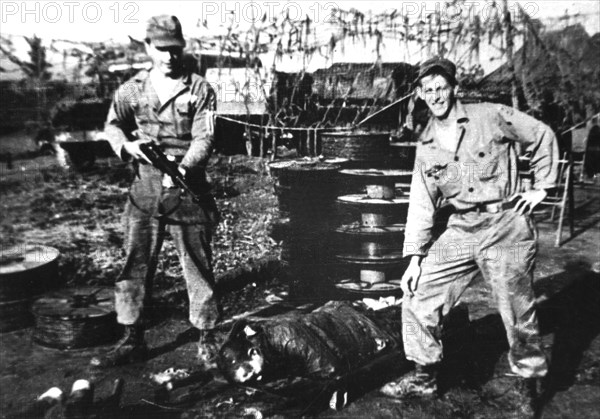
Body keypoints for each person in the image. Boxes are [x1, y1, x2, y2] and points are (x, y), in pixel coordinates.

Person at [380, 57, 558, 417]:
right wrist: (414, 259)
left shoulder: (489, 115)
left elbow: (541, 133)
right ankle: (424, 374)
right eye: (427, 89)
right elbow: (421, 203)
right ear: (419, 94)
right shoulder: (427, 145)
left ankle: (528, 385)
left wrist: (542, 186)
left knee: (516, 307)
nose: (435, 95)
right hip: (462, 229)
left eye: (441, 87)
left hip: (504, 223)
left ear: (453, 88)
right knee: (419, 292)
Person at [91, 15, 220, 368]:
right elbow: (113, 125)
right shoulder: (132, 88)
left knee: (197, 264)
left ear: (183, 48)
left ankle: (206, 337)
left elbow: (205, 137)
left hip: (185, 185)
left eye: (175, 48)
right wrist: (127, 148)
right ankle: (132, 338)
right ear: (148, 47)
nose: (169, 56)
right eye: (161, 49)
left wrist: (183, 167)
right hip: (145, 187)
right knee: (135, 263)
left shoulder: (199, 89)